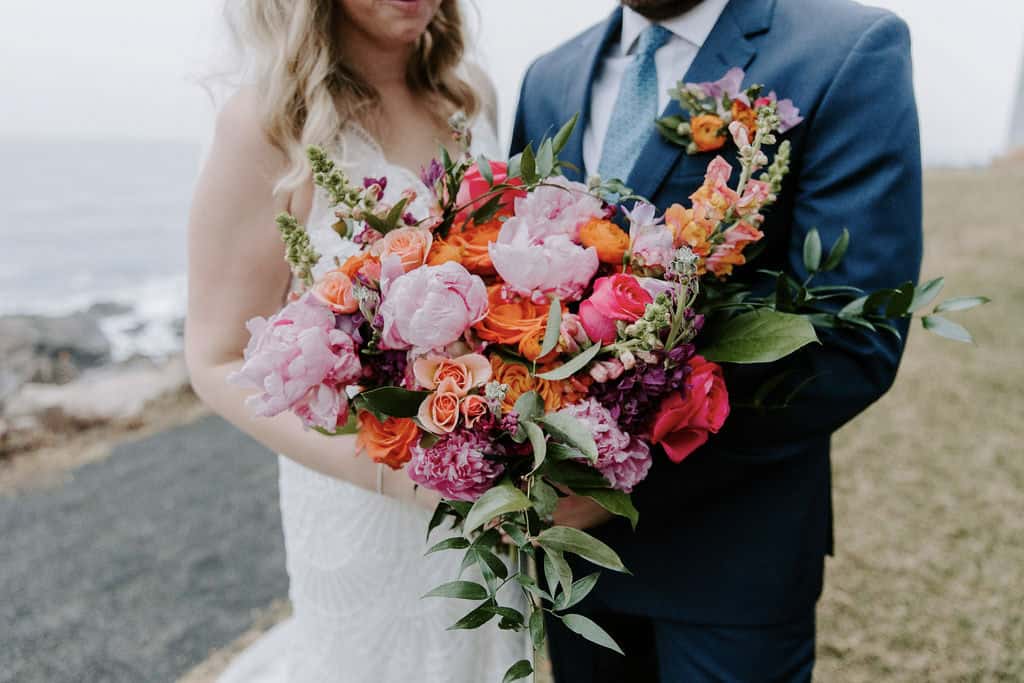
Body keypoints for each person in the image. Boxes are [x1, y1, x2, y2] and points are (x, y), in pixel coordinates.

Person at [511, 0, 923, 680]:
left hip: (731, 558)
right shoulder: (549, 78)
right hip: (574, 569)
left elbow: (855, 339)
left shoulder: (847, 50)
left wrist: (612, 483)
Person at [185, 1, 525, 680]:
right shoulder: (267, 126)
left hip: (486, 499)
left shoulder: (468, 99)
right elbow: (216, 359)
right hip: (359, 506)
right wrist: (393, 477)